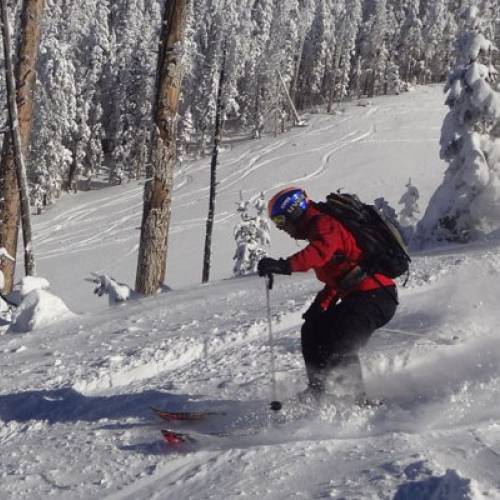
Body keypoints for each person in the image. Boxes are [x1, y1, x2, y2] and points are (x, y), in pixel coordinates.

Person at [257, 186, 398, 406]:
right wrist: (320, 306)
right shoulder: (318, 229)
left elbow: (319, 253)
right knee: (313, 329)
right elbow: (338, 279)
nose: (281, 228)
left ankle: (357, 400)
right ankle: (318, 391)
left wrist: (285, 266)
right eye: (276, 224)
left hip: (376, 295)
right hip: (360, 297)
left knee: (341, 341)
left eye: (281, 221)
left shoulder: (325, 225)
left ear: (294, 211)